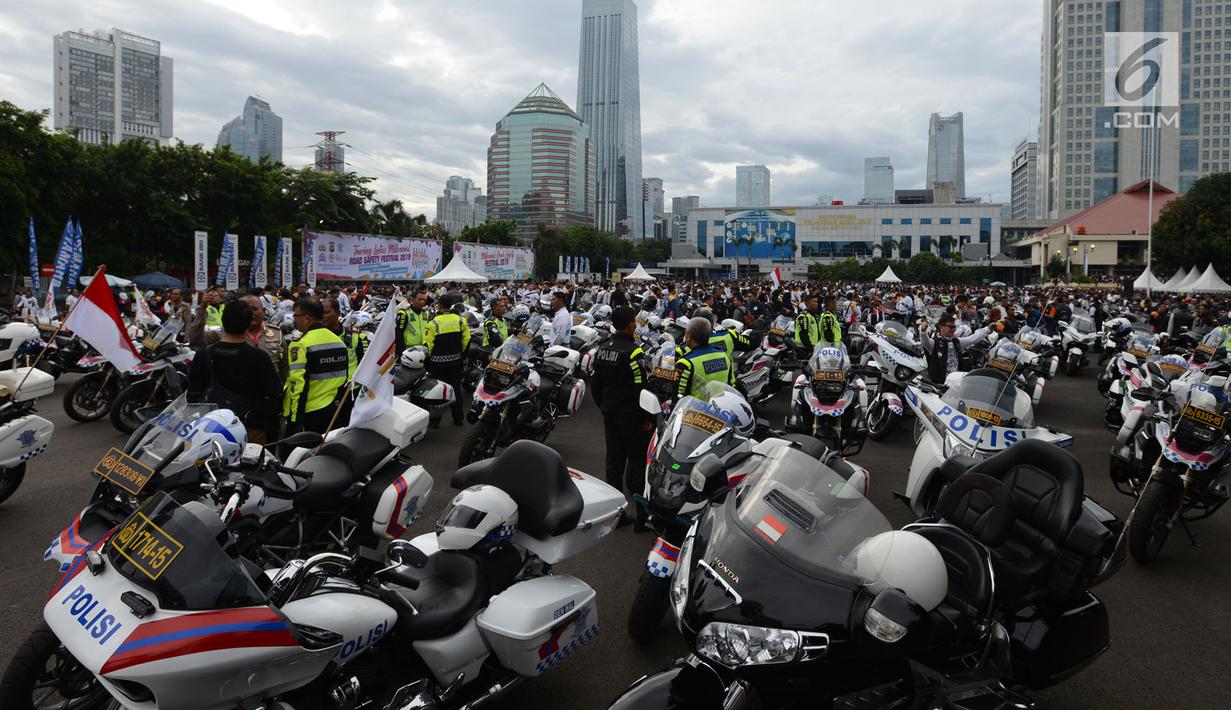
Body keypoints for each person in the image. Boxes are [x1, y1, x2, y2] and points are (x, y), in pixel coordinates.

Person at [187, 300, 282, 443]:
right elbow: (274, 394)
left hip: (210, 427)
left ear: (223, 321)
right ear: (248, 324)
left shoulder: (204, 354)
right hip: (249, 429)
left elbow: (193, 393)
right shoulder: (259, 357)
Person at [590, 306, 651, 530]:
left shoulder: (602, 348)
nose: (635, 325)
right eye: (634, 321)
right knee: (638, 463)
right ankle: (642, 517)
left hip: (610, 412)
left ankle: (616, 514)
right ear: (630, 326)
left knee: (613, 463)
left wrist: (604, 406)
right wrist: (647, 417)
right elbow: (640, 387)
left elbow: (595, 384)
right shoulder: (634, 352)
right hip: (632, 415)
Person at [284, 297, 349, 435]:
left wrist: (295, 420)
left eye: (296, 316)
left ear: (307, 318)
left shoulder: (300, 344)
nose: (294, 320)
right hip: (334, 410)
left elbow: (298, 386)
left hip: (309, 413)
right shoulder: (339, 343)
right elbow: (344, 379)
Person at [424, 293, 470, 427]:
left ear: (439, 305)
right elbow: (466, 340)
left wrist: (429, 360)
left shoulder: (432, 323)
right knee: (456, 389)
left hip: (437, 365)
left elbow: (428, 346)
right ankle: (458, 418)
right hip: (455, 362)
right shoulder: (461, 320)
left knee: (438, 392)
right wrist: (461, 356)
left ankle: (435, 421)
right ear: (451, 305)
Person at [919, 314, 990, 382]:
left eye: (954, 327)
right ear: (941, 327)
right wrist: (923, 332)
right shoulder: (934, 343)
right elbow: (925, 342)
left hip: (955, 381)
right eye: (951, 327)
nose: (953, 329)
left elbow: (972, 339)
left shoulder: (956, 341)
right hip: (938, 384)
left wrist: (988, 329)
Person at [676, 317, 735, 398]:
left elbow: (679, 397)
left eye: (685, 333)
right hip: (721, 404)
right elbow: (731, 384)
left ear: (689, 336)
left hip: (696, 406)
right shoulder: (724, 355)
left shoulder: (685, 363)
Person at [396, 289, 430, 354]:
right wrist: (401, 352)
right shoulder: (404, 313)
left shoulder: (426, 313)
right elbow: (398, 334)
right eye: (420, 299)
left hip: (423, 348)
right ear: (413, 299)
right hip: (408, 349)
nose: (422, 302)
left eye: (424, 300)